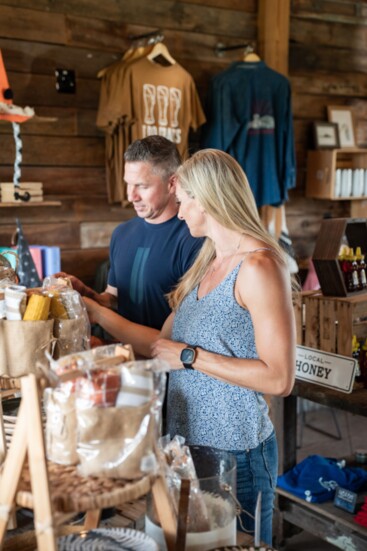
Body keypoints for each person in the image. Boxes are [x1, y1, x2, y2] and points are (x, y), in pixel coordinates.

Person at [151, 149, 296, 545]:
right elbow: (162, 344)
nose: (178, 214)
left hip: (237, 454)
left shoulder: (259, 266)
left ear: (207, 198)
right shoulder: (208, 262)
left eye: (182, 203)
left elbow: (280, 377)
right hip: (187, 448)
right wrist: (96, 314)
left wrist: (189, 357)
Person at [56, 136, 203, 353]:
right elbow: (115, 300)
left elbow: (175, 341)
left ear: (172, 183)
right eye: (128, 184)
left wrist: (97, 312)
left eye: (141, 186)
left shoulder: (194, 239)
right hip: (127, 367)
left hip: (175, 376)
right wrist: (89, 295)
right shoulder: (122, 233)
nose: (130, 196)